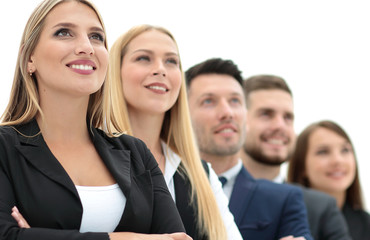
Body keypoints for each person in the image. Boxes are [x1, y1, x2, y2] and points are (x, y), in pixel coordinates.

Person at [0, 1, 191, 240]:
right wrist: (127, 238)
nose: (86, 47)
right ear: (29, 58)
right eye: (64, 32)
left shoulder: (137, 153)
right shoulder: (4, 148)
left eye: (96, 37)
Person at [107, 25, 241, 240]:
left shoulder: (202, 174)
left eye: (171, 61)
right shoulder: (90, 156)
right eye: (143, 58)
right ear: (115, 71)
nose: (160, 69)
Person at [185, 58, 313, 240]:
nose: (227, 112)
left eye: (235, 101)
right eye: (209, 101)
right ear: (182, 114)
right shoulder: (160, 186)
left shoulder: (282, 199)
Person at [240, 74, 352, 240]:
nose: (280, 126)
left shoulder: (321, 208)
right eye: (266, 114)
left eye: (288, 117)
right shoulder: (204, 194)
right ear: (238, 118)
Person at [288, 120, 370, 240]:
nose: (338, 160)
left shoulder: (366, 223)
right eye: (323, 152)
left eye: (345, 150)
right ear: (302, 167)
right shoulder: (286, 220)